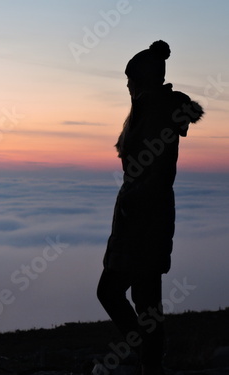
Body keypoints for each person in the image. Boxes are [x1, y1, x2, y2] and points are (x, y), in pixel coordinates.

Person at [97, 40, 204, 375]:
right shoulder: (148, 108)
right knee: (145, 300)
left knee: (114, 293)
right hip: (141, 215)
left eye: (131, 79)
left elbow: (154, 170)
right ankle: (151, 361)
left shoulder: (156, 109)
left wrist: (134, 202)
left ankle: (147, 356)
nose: (127, 85)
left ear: (143, 79)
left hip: (143, 218)